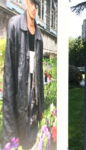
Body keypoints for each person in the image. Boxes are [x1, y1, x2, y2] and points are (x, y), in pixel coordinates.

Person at [2, 0, 44, 148]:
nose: (34, 8)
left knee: (31, 137)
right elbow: (8, 73)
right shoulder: (14, 24)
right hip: (20, 94)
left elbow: (39, 75)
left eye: (37, 5)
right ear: (26, 2)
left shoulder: (39, 35)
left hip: (34, 95)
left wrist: (41, 106)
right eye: (32, 3)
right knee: (19, 134)